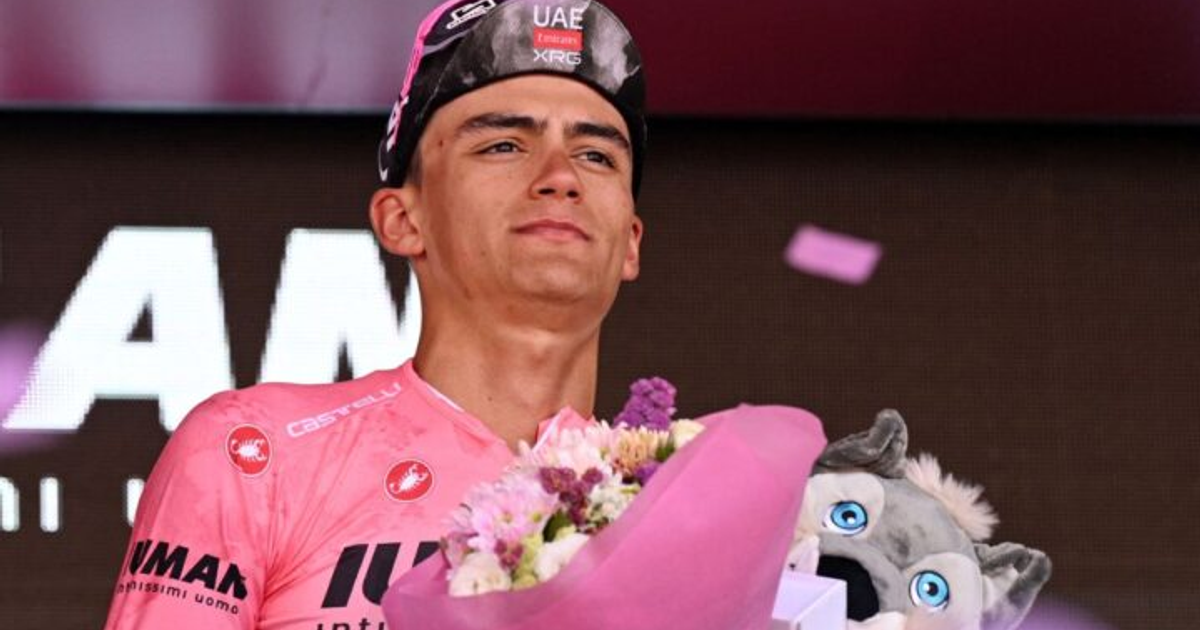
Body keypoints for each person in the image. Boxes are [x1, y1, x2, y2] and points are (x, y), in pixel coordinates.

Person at [102, 0, 647, 627]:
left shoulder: (682, 509)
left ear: (631, 241)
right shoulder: (257, 452)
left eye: (597, 155)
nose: (560, 177)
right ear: (402, 220)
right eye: (503, 144)